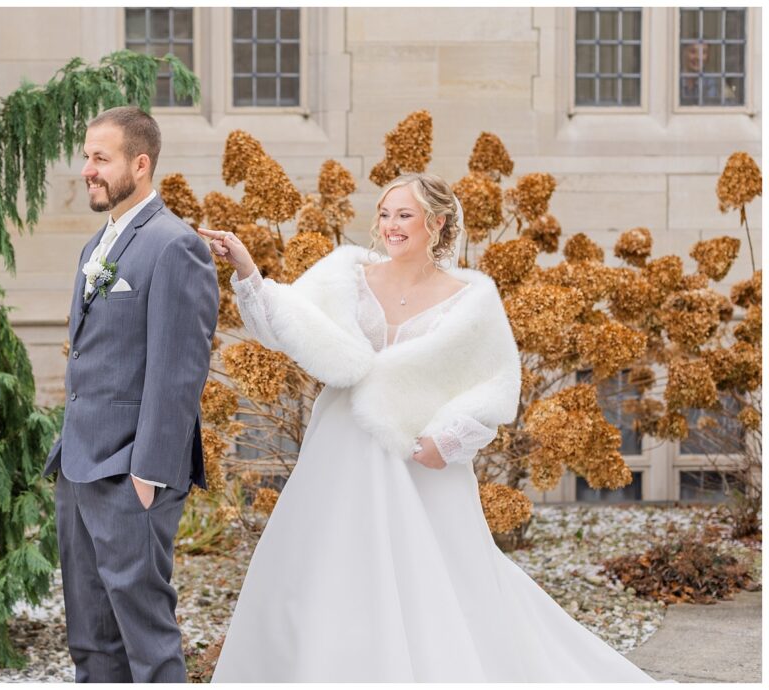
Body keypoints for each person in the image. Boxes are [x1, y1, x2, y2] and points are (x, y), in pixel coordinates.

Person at [197, 173, 660, 682]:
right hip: (339, 450)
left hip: (418, 460)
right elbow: (282, 324)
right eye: (385, 214)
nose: (390, 226)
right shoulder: (345, 275)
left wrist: (450, 438)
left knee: (438, 580)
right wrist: (246, 271)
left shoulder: (471, 300)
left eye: (405, 215)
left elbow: (496, 384)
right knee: (324, 568)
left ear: (436, 223)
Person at [42, 105, 219, 682]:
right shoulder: (98, 245)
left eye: (101, 158)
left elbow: (179, 371)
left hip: (131, 474)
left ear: (140, 164)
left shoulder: (174, 246)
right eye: (87, 156)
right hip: (78, 467)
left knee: (146, 638)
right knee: (90, 638)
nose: (88, 169)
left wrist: (150, 474)